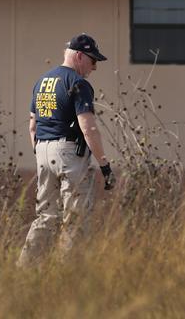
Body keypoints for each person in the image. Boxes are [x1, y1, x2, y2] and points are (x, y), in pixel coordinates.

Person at [18, 33, 116, 266]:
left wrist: (44, 153)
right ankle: (66, 273)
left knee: (46, 216)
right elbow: (88, 127)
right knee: (76, 217)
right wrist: (105, 165)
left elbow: (32, 126)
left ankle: (24, 269)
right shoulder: (78, 83)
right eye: (93, 61)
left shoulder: (42, 81)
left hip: (42, 150)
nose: (94, 68)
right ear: (80, 56)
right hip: (69, 154)